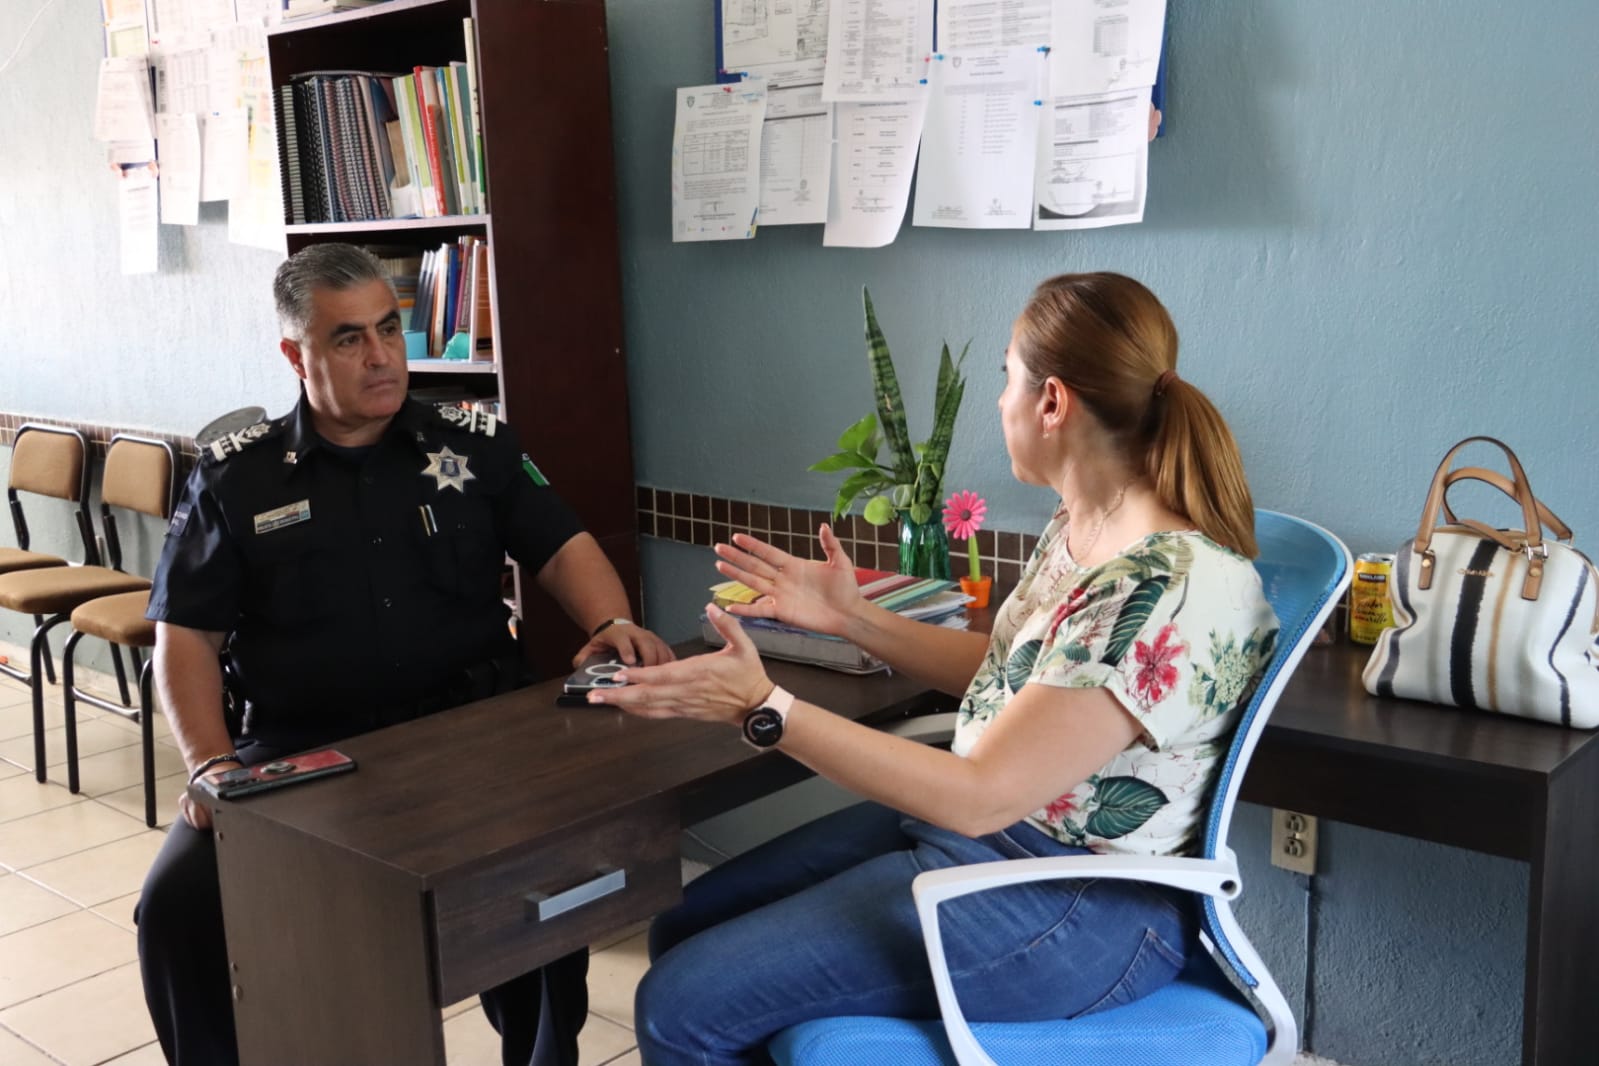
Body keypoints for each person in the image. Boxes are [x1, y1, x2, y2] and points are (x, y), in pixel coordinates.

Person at [597, 272, 1280, 1065]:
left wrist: (765, 706)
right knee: (684, 925)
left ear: (1051, 402)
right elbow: (1012, 677)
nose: (998, 400)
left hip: (1078, 906)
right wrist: (852, 617)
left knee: (681, 1006)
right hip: (994, 844)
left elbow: (980, 795)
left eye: (1006, 377)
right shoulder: (1084, 526)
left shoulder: (1156, 589)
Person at [135, 242, 672, 1066]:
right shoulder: (238, 480)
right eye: (349, 338)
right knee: (176, 910)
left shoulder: (471, 445)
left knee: (544, 886)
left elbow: (561, 544)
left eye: (389, 328)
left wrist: (610, 622)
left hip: (473, 732)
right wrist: (210, 767)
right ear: (295, 355)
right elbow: (186, 637)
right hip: (304, 747)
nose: (382, 355)